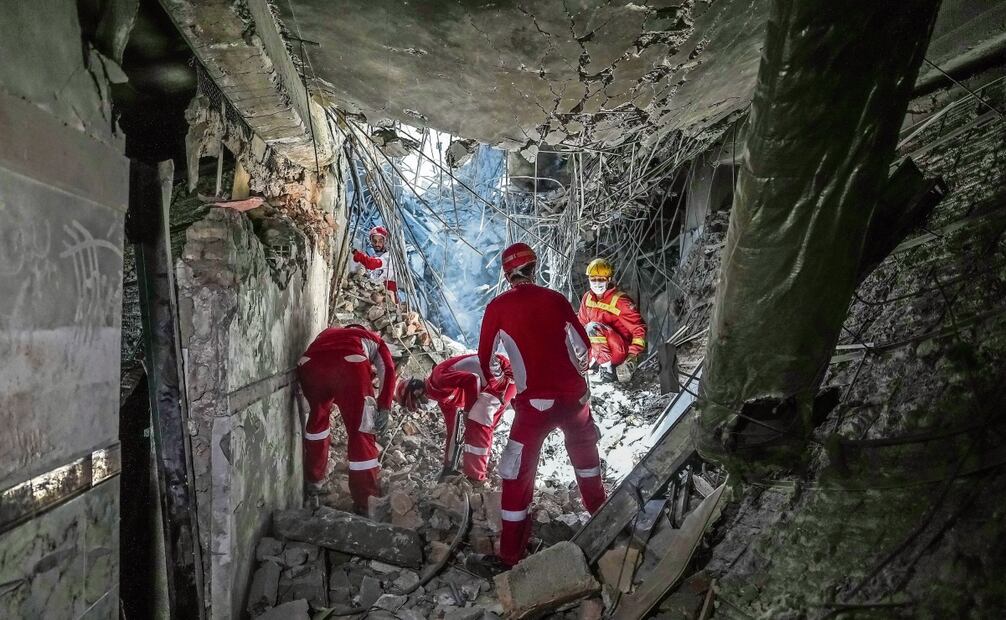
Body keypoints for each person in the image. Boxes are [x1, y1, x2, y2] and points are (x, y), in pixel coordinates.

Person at [471, 242, 607, 572]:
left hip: (535, 405)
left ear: (507, 275)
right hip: (574, 398)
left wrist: (504, 377)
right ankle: (605, 519)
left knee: (516, 472)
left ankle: (510, 555)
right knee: (586, 459)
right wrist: (576, 376)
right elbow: (583, 348)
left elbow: (486, 361)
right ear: (534, 267)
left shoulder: (498, 307)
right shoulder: (556, 299)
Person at [296, 324, 396, 512]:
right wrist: (384, 405)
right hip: (350, 364)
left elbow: (322, 356)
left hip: (309, 364)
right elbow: (388, 368)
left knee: (317, 422)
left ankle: (314, 483)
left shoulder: (327, 333)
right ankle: (366, 501)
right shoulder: (373, 338)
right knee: (362, 431)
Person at [396, 353, 516, 482]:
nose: (422, 408)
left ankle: (475, 478)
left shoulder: (438, 379)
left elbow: (472, 380)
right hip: (495, 384)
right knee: (485, 427)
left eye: (418, 405)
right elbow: (452, 432)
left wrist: (467, 412)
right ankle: (480, 470)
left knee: (477, 424)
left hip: (503, 374)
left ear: (418, 392)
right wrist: (448, 467)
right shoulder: (443, 400)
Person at [577, 258, 647, 382]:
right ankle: (592, 366)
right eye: (593, 279)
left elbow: (638, 329)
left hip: (618, 350)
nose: (597, 283)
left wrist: (632, 355)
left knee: (592, 327)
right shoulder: (587, 298)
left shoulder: (620, 301)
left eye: (601, 279)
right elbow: (580, 325)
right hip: (596, 351)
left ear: (609, 279)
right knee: (576, 332)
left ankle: (607, 371)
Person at [352, 225, 397, 294]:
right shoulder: (376, 257)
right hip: (376, 292)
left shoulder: (389, 257)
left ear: (385, 242)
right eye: (374, 241)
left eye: (380, 241)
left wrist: (357, 254)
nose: (377, 244)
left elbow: (372, 263)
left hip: (387, 294)